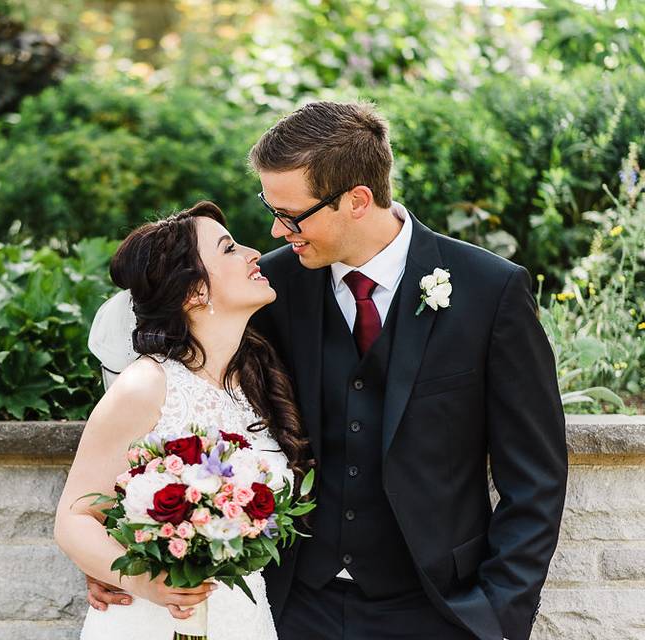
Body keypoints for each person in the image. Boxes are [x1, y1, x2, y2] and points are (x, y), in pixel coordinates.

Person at [86, 101, 568, 640]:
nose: (274, 229)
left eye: (291, 214)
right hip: (290, 605)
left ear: (357, 200)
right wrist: (118, 553)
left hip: (438, 609)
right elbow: (177, 395)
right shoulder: (266, 289)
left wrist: (498, 614)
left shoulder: (490, 289)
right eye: (271, 208)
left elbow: (535, 477)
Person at [54, 201, 314, 640]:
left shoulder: (256, 386)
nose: (254, 253)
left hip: (244, 620)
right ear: (195, 291)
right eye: (230, 249)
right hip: (153, 621)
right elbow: (74, 518)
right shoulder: (146, 386)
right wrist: (142, 582)